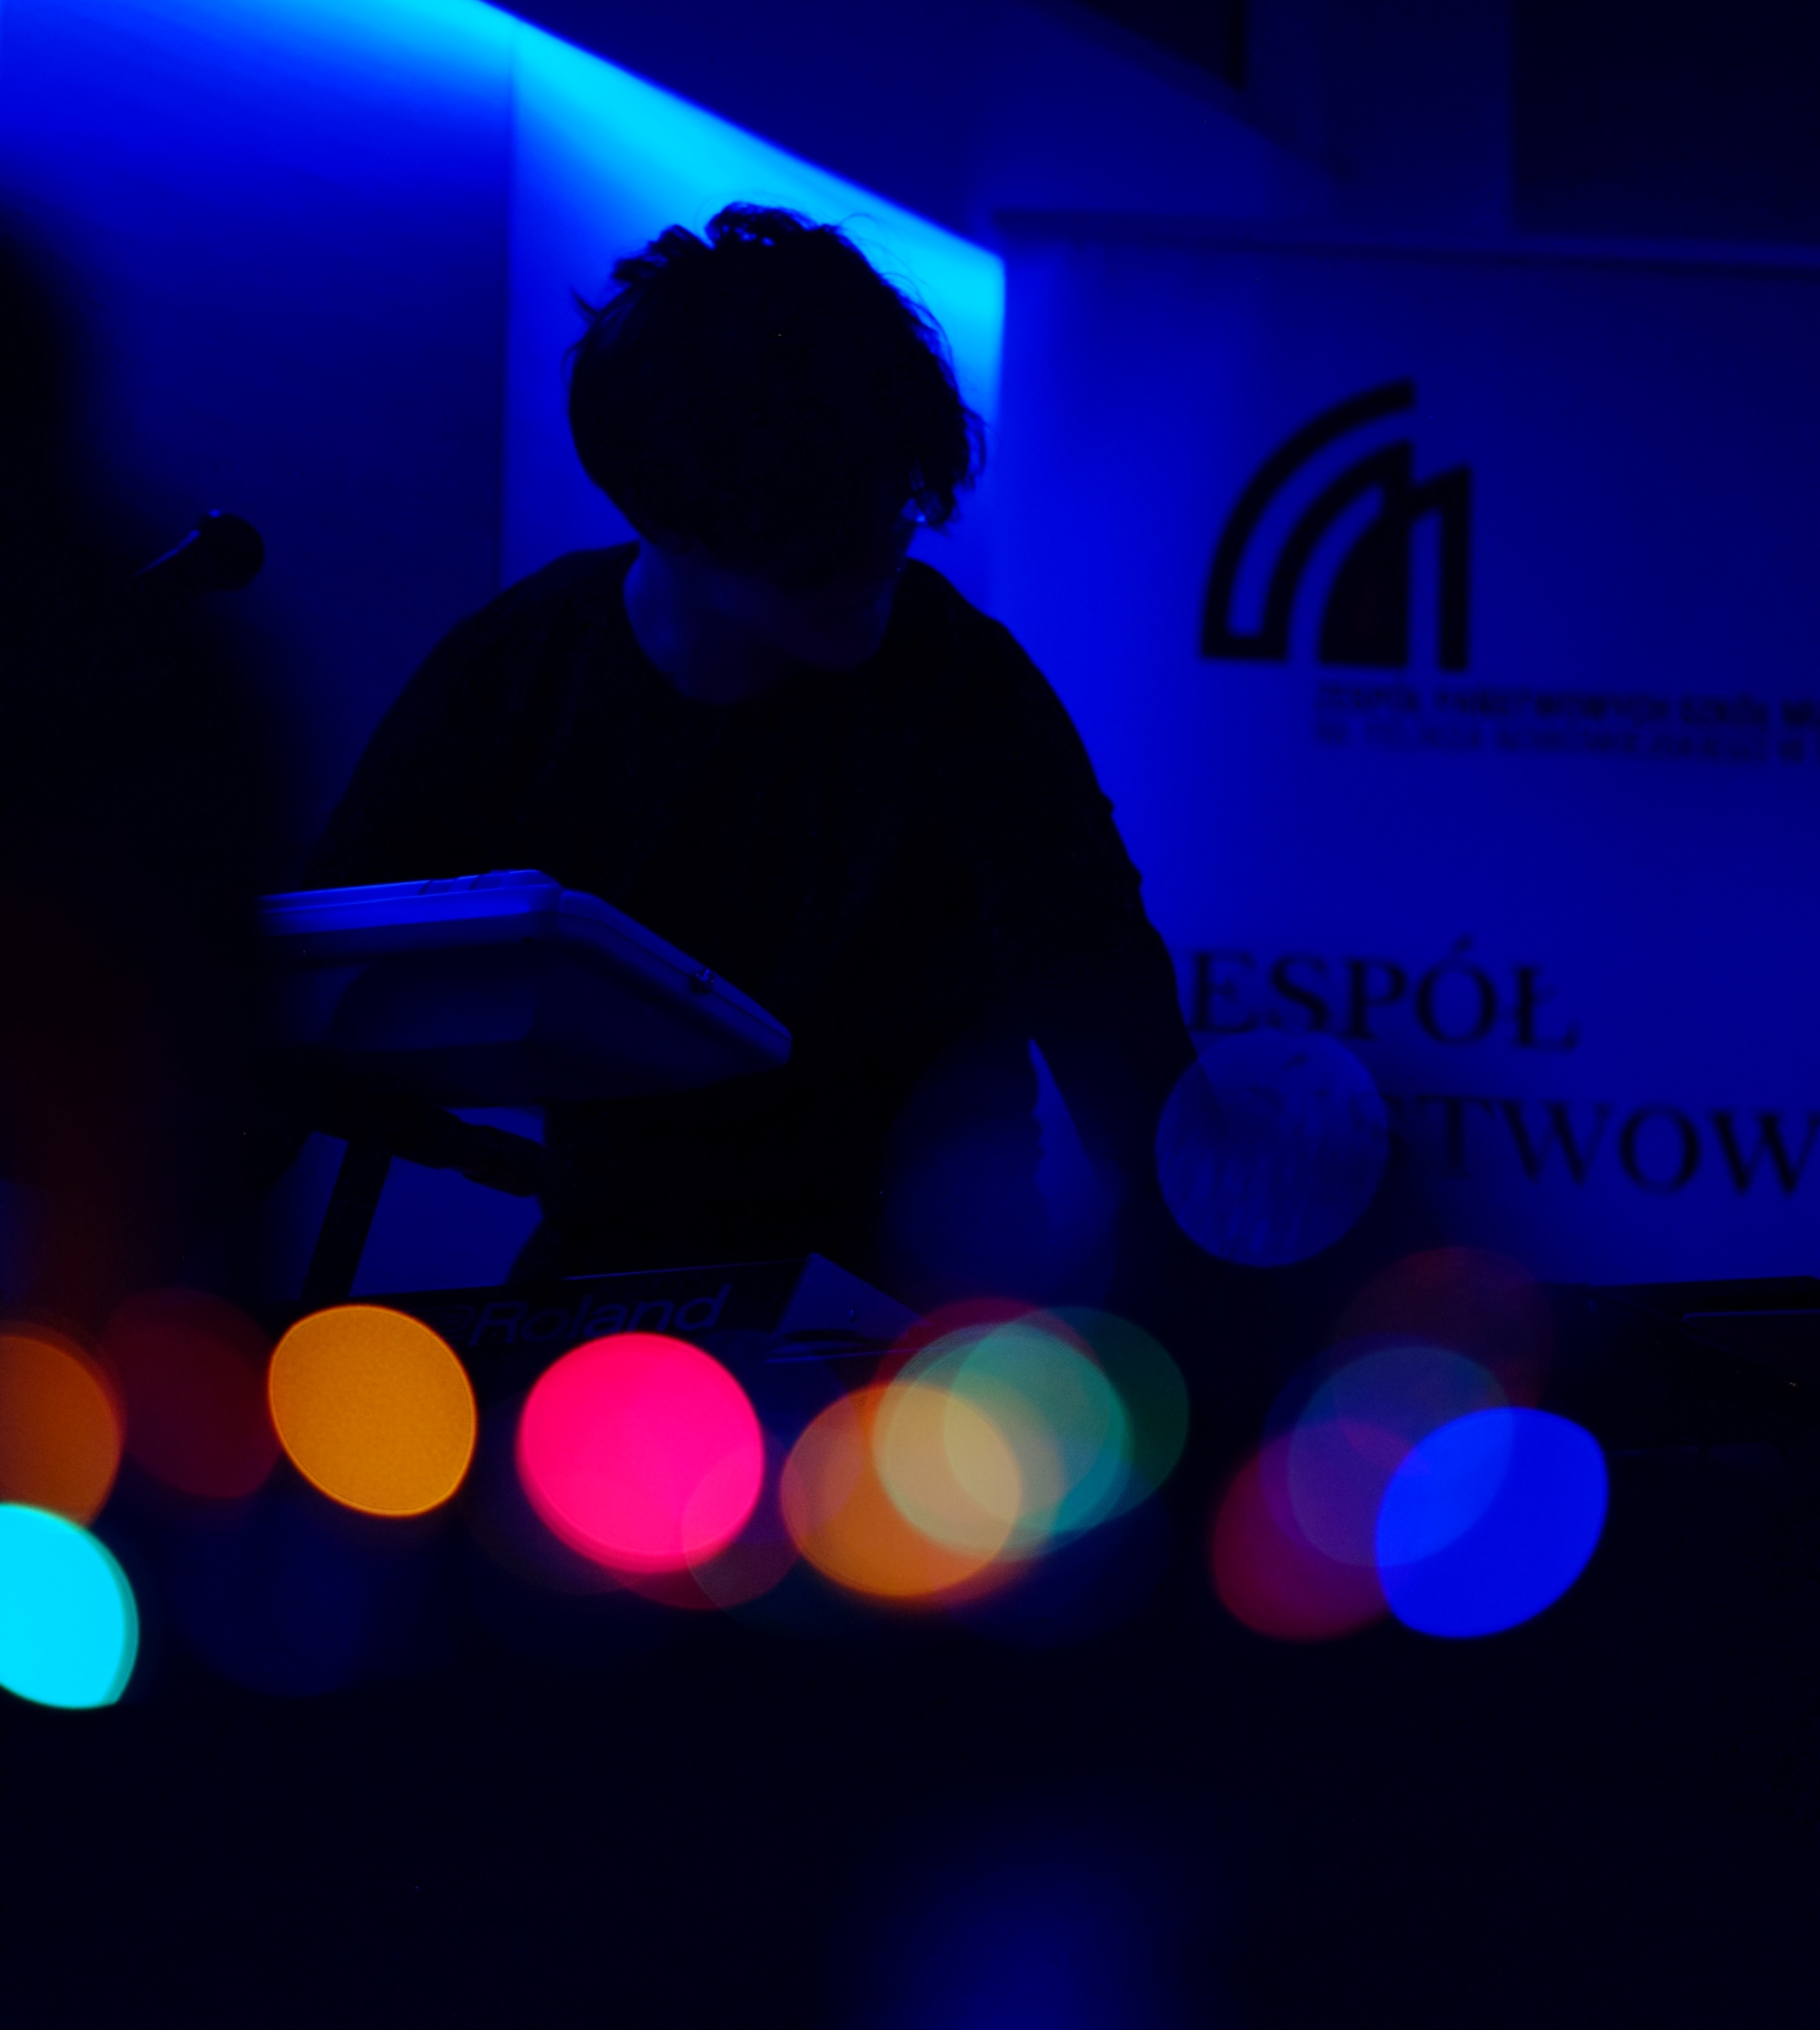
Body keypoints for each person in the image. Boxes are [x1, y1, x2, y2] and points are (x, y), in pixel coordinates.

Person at [312, 205, 1193, 1308]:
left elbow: (1110, 1016)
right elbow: (322, 969)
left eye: (894, 504)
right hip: (611, 1285)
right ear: (670, 518)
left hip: (924, 1310)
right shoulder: (519, 673)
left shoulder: (961, 689)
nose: (879, 554)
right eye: (820, 541)